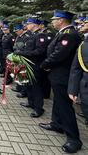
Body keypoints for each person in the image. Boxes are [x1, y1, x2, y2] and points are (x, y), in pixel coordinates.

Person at [39, 10, 82, 154]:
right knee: (58, 101)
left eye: (54, 19)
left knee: (65, 106)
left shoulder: (68, 34)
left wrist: (45, 64)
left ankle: (74, 139)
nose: (52, 22)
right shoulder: (63, 33)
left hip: (62, 75)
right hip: (57, 74)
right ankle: (57, 124)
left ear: (62, 20)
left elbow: (59, 54)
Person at [15, 17, 47, 118]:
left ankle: (38, 108)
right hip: (28, 64)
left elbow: (39, 51)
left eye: (29, 23)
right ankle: (30, 102)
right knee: (29, 85)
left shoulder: (40, 35)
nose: (26, 26)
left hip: (35, 65)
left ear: (34, 25)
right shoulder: (32, 35)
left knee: (36, 88)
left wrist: (23, 53)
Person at [68, 17, 88, 124]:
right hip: (85, 89)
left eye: (85, 23)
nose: (83, 24)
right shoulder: (83, 44)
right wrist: (73, 89)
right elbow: (76, 68)